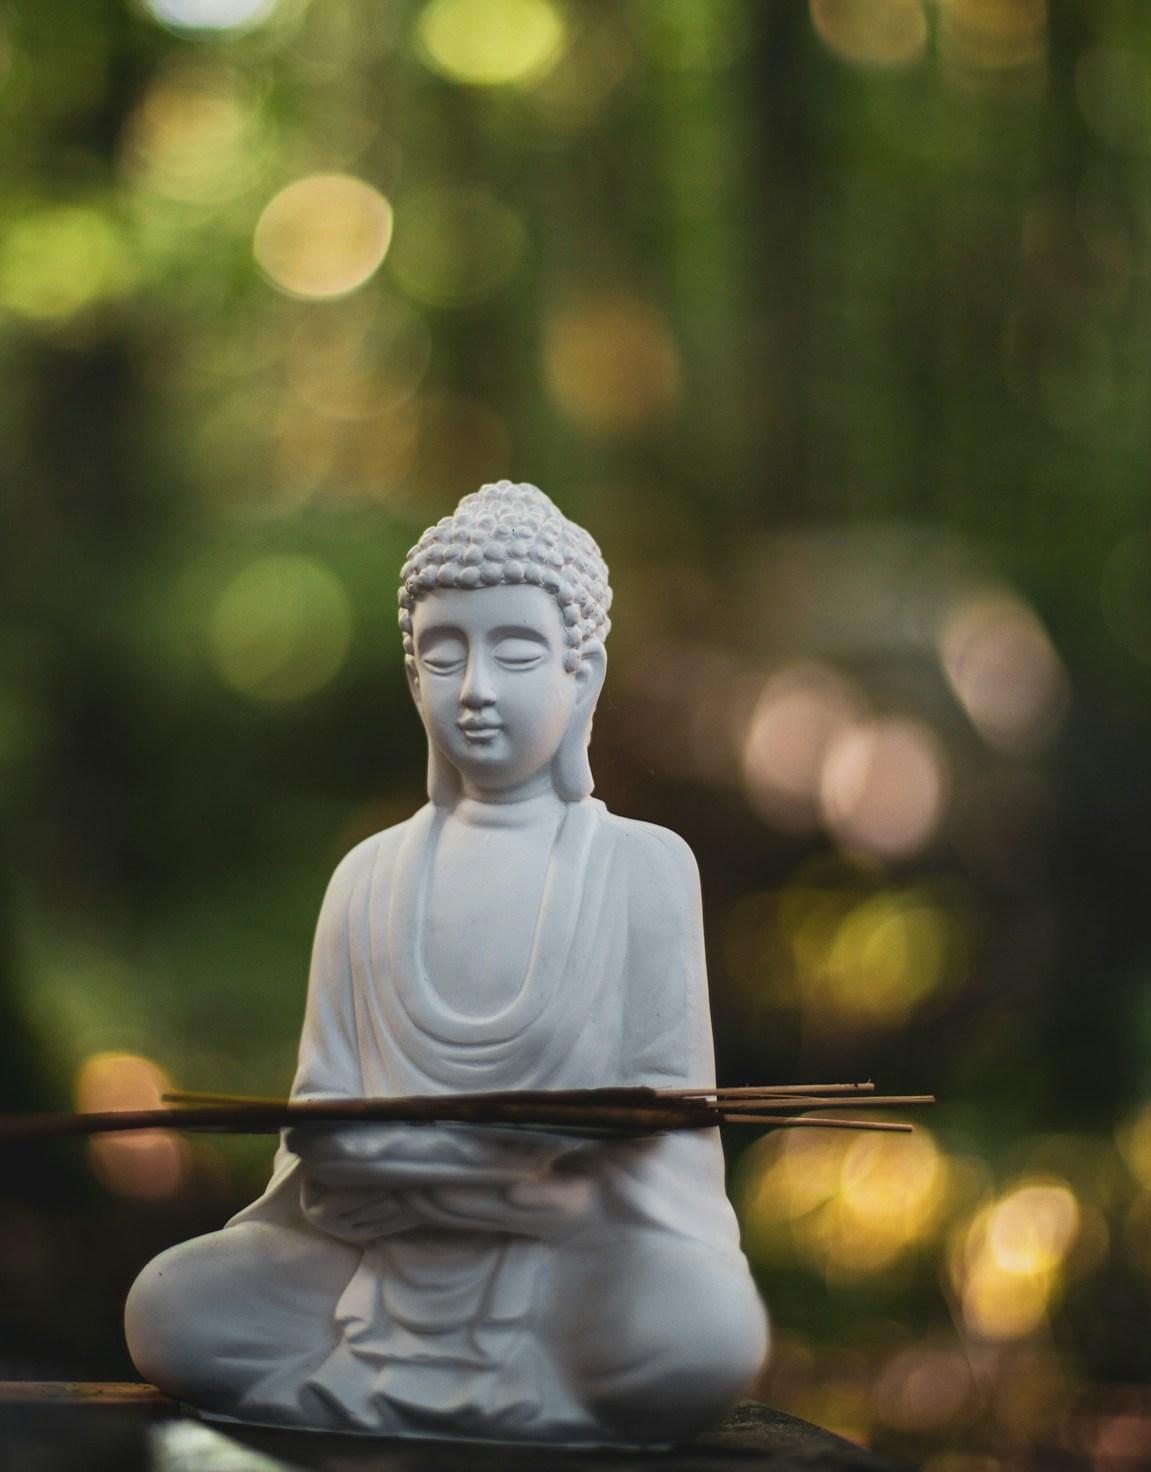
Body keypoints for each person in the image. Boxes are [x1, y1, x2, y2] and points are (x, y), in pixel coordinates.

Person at [124, 482, 768, 1443]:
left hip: (574, 1264)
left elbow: (668, 1149)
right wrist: (416, 1175)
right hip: (376, 1262)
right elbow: (317, 1148)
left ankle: (525, 1374)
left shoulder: (644, 867)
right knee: (169, 1307)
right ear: (411, 674)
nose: (475, 689)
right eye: (441, 653)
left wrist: (528, 1187)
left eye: (514, 652)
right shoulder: (366, 878)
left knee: (708, 1332)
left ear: (581, 675)